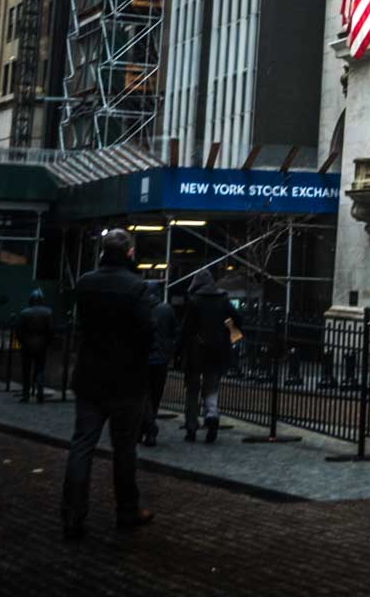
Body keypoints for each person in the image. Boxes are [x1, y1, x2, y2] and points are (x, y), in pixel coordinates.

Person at [60, 229, 155, 541]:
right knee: (124, 449)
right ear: (129, 253)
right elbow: (147, 333)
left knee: (82, 445)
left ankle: (73, 514)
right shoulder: (137, 287)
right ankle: (127, 510)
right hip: (126, 381)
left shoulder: (86, 283)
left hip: (90, 377)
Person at [181, 268, 238, 444]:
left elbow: (186, 329)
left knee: (192, 390)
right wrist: (230, 335)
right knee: (211, 387)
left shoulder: (193, 300)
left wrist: (178, 352)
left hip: (196, 351)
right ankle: (212, 414)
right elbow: (236, 319)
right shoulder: (223, 299)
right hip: (217, 351)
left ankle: (191, 427)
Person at [141, 281, 179, 446]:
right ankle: (149, 427)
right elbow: (173, 332)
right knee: (155, 396)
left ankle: (147, 428)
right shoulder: (166, 309)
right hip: (161, 359)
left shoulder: (140, 308)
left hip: (143, 358)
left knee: (144, 395)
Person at [14, 288, 54, 403]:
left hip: (27, 346)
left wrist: (24, 342)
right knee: (40, 369)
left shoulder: (24, 313)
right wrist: (46, 343)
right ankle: (39, 393)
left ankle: (26, 395)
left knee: (26, 370)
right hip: (41, 346)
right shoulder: (48, 312)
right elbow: (51, 331)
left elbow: (18, 332)